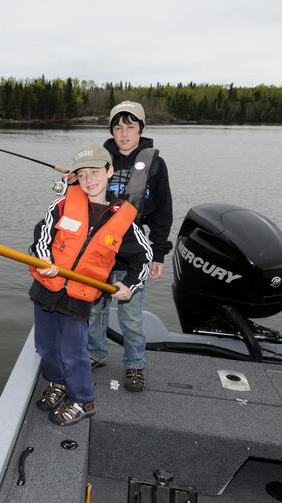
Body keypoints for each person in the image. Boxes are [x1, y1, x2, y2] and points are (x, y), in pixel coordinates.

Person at [29, 144, 152, 426]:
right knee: (46, 347)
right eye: (82, 175)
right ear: (75, 178)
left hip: (80, 295)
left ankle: (83, 399)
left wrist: (130, 285)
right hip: (47, 286)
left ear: (109, 172)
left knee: (73, 353)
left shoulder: (123, 218)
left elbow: (144, 256)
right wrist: (44, 258)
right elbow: (42, 236)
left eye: (95, 172)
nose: (89, 180)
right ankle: (58, 383)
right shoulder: (62, 204)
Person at [87, 100, 173, 392]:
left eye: (130, 126)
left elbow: (163, 212)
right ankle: (95, 354)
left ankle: (134, 364)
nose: (124, 133)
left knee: (131, 318)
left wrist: (158, 252)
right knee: (93, 312)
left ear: (142, 129)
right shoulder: (98, 161)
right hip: (98, 253)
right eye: (118, 127)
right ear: (111, 130)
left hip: (133, 256)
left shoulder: (155, 164)